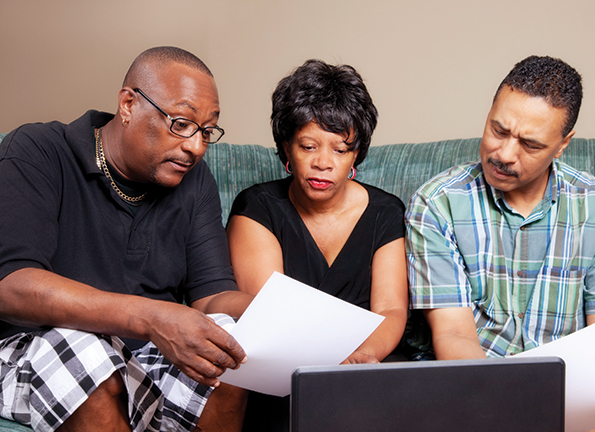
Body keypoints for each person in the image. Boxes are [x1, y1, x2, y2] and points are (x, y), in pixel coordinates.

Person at [406, 55, 595, 429]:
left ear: (562, 145)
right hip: (473, 387)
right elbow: (453, 335)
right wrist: (497, 405)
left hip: (569, 395)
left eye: (530, 145)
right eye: (498, 130)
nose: (504, 154)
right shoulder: (436, 203)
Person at [0, 46, 253, 432]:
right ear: (129, 104)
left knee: (226, 345)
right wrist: (153, 318)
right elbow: (11, 284)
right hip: (33, 349)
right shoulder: (38, 151)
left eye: (206, 131)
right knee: (82, 352)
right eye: (181, 124)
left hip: (144, 354)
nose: (196, 147)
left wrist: (281, 313)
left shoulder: (195, 181)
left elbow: (211, 294)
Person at [227, 59, 408, 431]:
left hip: (365, 368)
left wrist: (361, 358)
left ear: (356, 154)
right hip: (286, 373)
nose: (323, 163)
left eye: (340, 150)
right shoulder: (257, 208)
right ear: (286, 148)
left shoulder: (386, 212)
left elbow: (390, 308)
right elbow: (272, 315)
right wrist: (326, 369)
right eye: (308, 146)